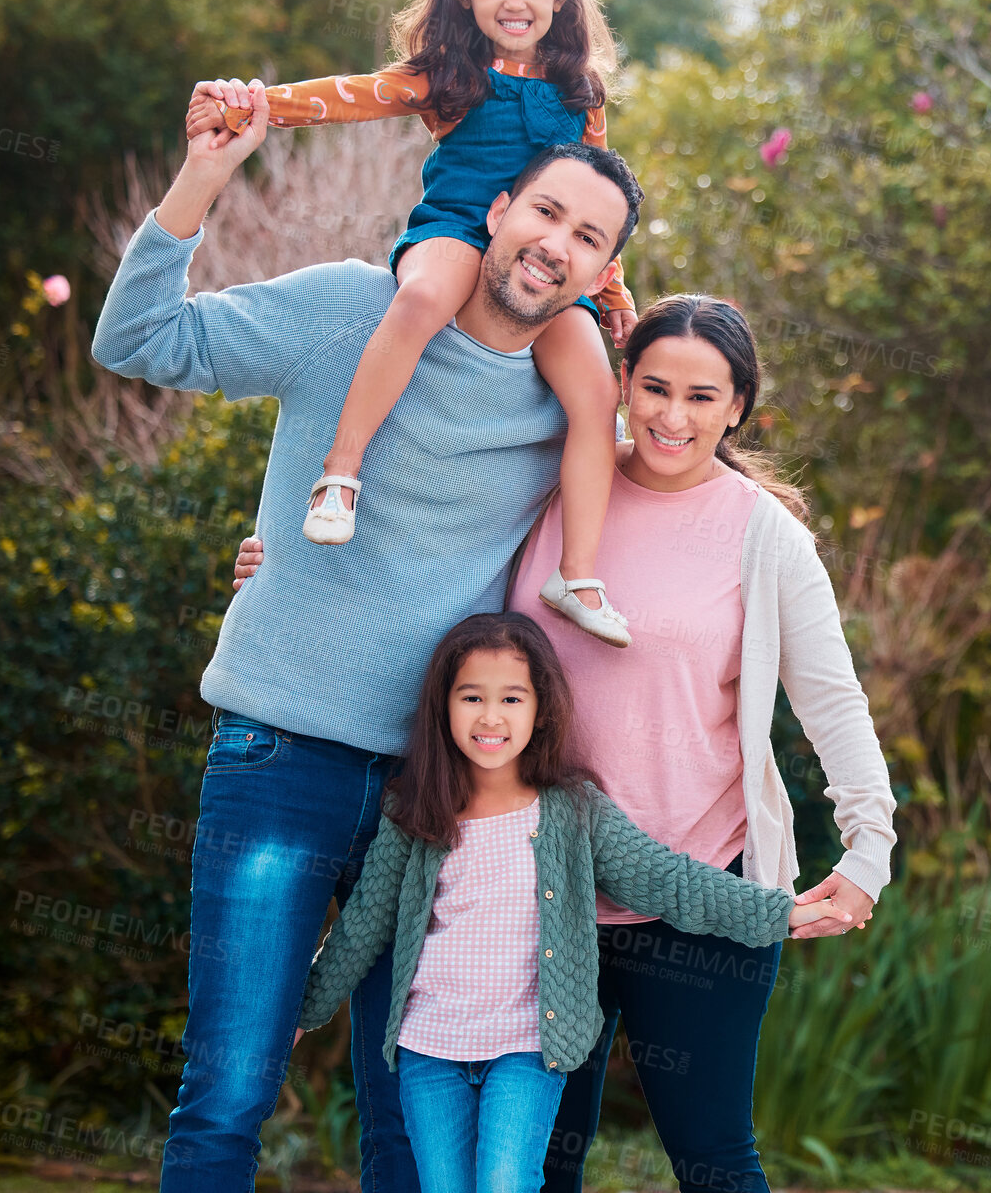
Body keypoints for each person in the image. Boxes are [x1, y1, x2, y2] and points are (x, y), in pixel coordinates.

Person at [90, 69, 643, 1193]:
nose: (556, 245)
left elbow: (669, 504)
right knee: (231, 1087)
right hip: (279, 753)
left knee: (415, 1111)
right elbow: (139, 339)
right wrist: (205, 173)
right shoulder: (352, 307)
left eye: (590, 237)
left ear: (601, 270)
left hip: (441, 795)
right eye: (545, 211)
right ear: (494, 209)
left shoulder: (572, 402)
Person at [232, 294, 899, 1193]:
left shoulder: (765, 536)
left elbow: (833, 704)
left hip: (692, 891)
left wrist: (868, 851)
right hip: (539, 898)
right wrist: (277, 558)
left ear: (739, 404)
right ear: (621, 383)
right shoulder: (561, 482)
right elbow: (423, 553)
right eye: (655, 387)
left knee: (712, 1156)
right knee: (541, 1166)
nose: (673, 415)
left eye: (703, 397)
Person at [187, 0, 635, 648]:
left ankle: (576, 573)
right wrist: (261, 104)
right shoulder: (450, 76)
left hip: (542, 254)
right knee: (424, 296)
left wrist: (613, 292)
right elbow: (352, 95)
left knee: (595, 390)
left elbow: (600, 194)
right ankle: (341, 471)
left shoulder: (579, 90)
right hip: (459, 226)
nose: (514, 2)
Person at [291, 611, 846, 1193]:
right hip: (429, 1048)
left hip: (528, 1048)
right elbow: (361, 926)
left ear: (540, 709)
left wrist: (779, 912)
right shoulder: (415, 814)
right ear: (443, 706)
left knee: (507, 1183)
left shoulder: (573, 811)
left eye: (511, 698)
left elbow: (668, 880)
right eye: (471, 697)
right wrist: (303, 1012)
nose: (490, 717)